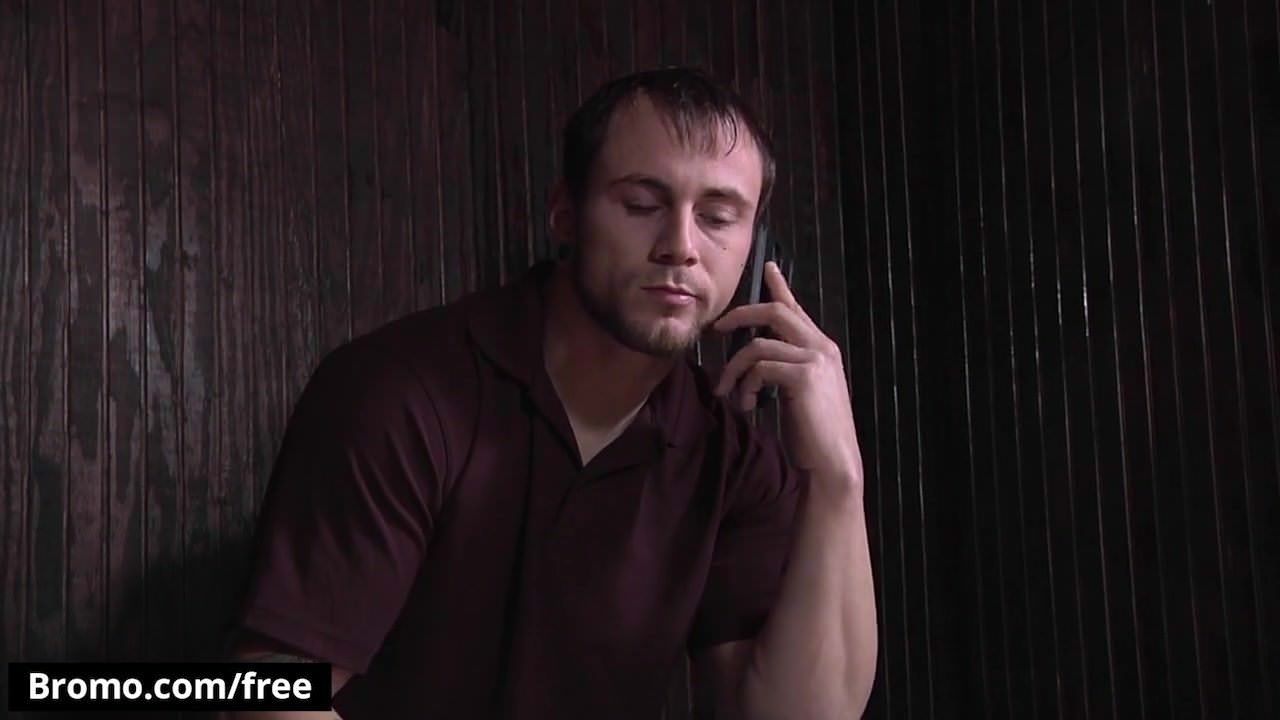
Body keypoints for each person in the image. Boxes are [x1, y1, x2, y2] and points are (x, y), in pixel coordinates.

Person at [224, 66, 876, 720]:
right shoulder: (401, 393)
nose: (680, 246)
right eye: (641, 205)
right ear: (566, 214)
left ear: (758, 252)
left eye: (717, 217)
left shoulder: (730, 458)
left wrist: (839, 482)